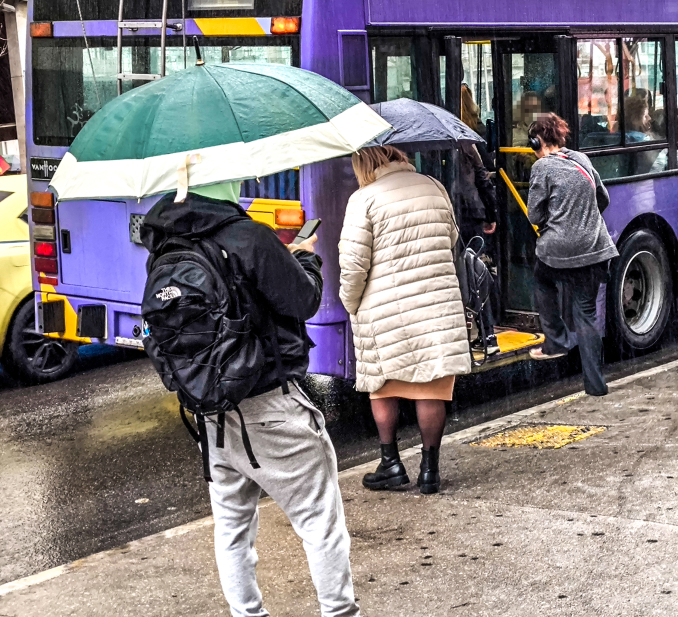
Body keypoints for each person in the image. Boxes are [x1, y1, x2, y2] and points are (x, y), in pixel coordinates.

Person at [141, 182, 359, 617]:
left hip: (209, 415)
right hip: (270, 406)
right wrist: (305, 259)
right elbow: (303, 300)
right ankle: (339, 612)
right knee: (320, 522)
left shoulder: (163, 247)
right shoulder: (245, 235)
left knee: (232, 529)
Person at [339, 146, 471, 495]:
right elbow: (451, 237)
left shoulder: (363, 199)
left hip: (383, 308)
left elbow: (353, 265)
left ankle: (391, 465)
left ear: (364, 163)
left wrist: (349, 303)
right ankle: (430, 471)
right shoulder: (433, 185)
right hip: (436, 303)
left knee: (383, 386)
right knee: (430, 386)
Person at [525, 113, 619, 397]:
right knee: (586, 313)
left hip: (559, 250)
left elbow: (534, 213)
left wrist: (560, 224)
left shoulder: (542, 167)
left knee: (542, 280)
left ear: (536, 141)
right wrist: (584, 221)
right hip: (595, 249)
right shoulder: (582, 159)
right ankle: (595, 384)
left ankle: (556, 341)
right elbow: (603, 199)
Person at [459, 84, 500, 354]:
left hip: (457, 214)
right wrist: (491, 213)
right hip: (471, 214)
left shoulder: (443, 141)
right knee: (475, 273)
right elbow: (483, 178)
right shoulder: (467, 140)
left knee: (466, 274)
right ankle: (487, 334)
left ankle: (480, 334)